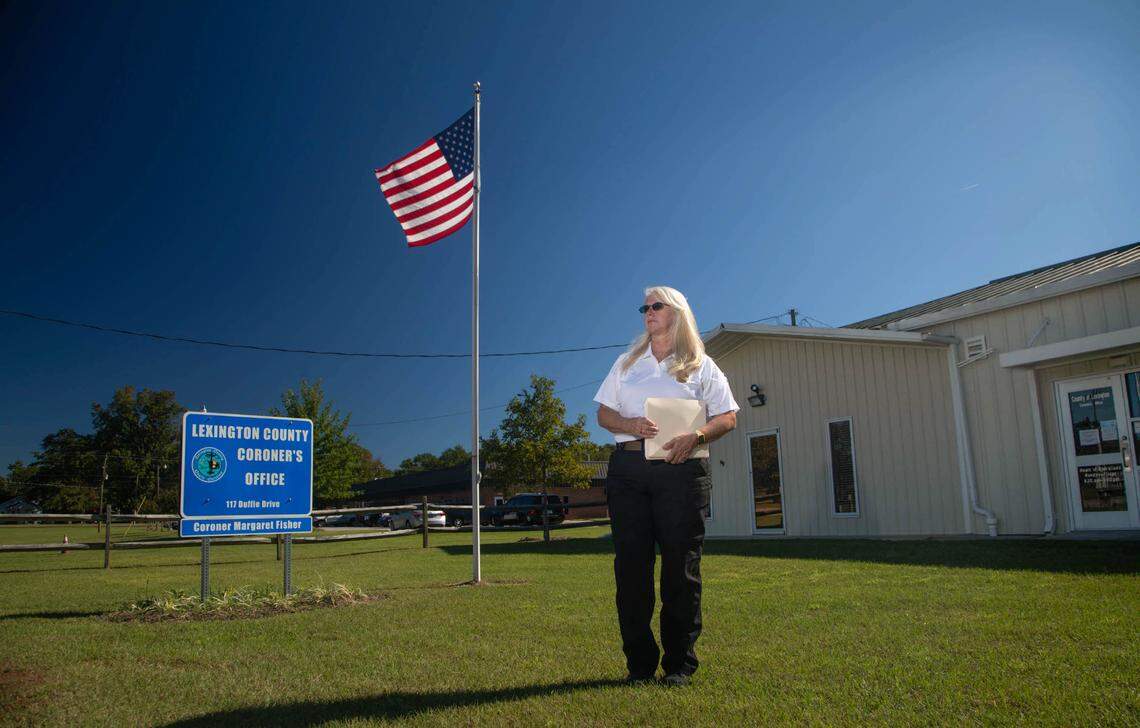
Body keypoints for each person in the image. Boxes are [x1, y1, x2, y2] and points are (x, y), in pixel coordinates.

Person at [593, 285, 739, 686]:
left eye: (656, 305)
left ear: (677, 312)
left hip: (683, 471)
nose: (647, 312)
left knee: (681, 570)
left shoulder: (700, 364)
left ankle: (679, 665)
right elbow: (604, 414)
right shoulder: (626, 363)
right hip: (629, 471)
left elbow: (728, 416)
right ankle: (639, 666)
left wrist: (697, 436)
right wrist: (630, 425)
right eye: (644, 307)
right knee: (632, 571)